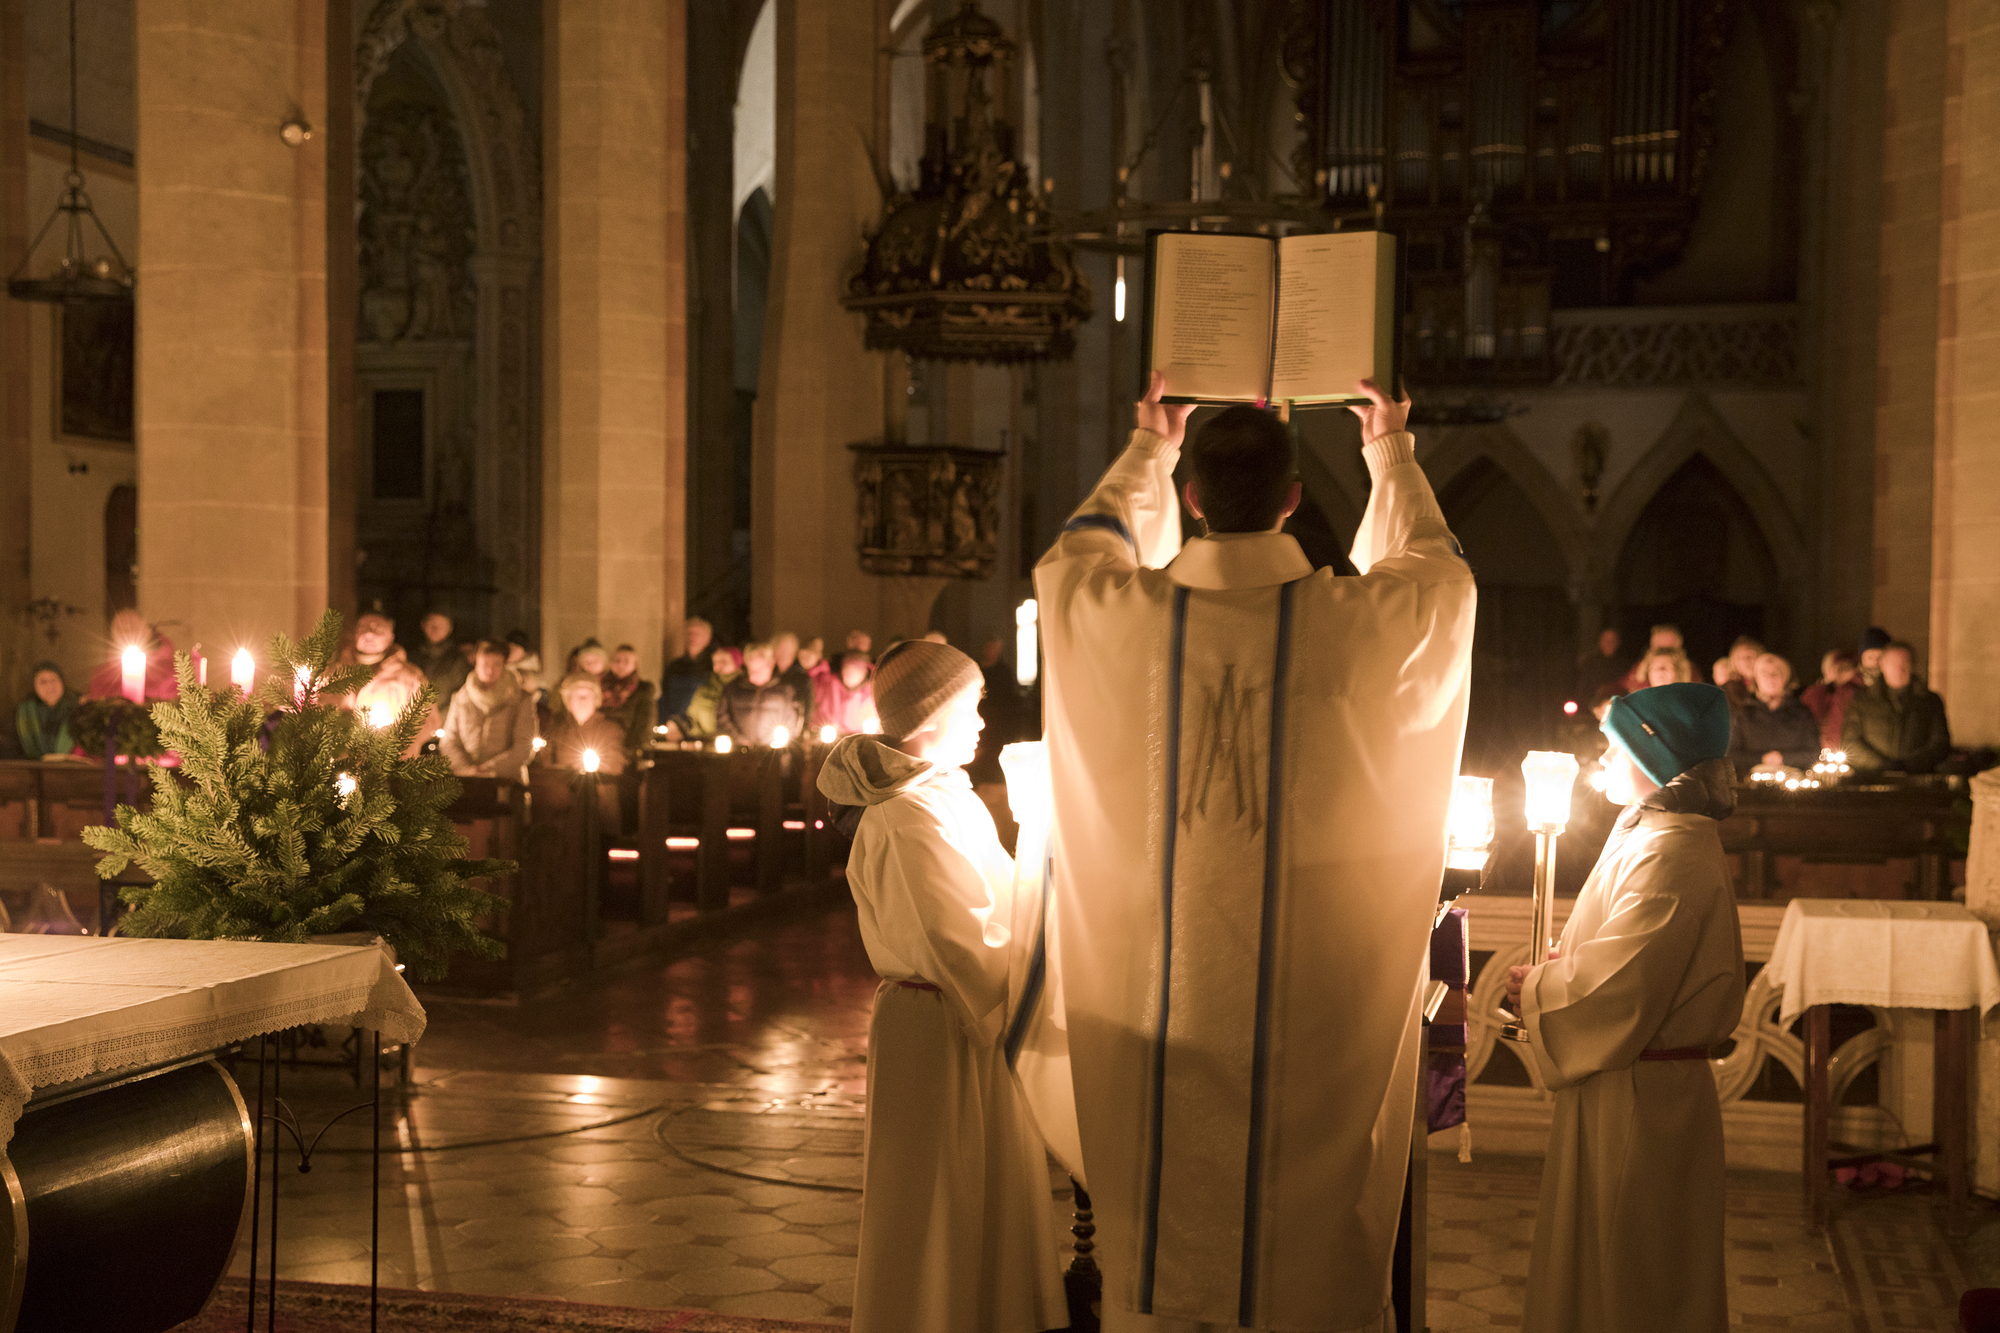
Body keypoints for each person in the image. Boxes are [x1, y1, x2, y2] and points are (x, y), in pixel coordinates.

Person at [1034, 373, 1474, 1331]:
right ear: (1294, 497)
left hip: (1165, 980)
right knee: (1305, 1224)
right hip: (1306, 990)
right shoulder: (1352, 625)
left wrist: (1149, 444)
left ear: (1191, 498)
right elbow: (1438, 576)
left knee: (1168, 1205)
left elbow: (1074, 561)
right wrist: (1390, 448)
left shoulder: (1128, 616)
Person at [815, 639, 1068, 1333]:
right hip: (936, 1024)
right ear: (927, 716)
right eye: (972, 705)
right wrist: (1034, 970)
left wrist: (1049, 858)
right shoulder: (904, 817)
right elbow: (953, 939)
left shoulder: (943, 795)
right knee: (934, 1194)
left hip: (963, 1025)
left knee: (976, 1190)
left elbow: (1001, 890)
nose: (983, 720)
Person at [1505, 682, 1744, 1333]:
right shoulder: (1651, 831)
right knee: (1608, 1265)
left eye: (1612, 747)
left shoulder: (1673, 851)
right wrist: (1560, 968)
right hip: (1625, 1081)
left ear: (1658, 758)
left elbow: (1622, 986)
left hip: (1644, 1095)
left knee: (1636, 1277)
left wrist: (1534, 988)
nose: (1598, 761)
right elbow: (1615, 954)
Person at [335, 611, 441, 749]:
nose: (369, 635)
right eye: (364, 628)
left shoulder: (410, 677)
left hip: (391, 765)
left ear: (391, 637)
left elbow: (429, 721)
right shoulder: (332, 674)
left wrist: (395, 742)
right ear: (354, 634)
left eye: (378, 629)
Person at [1842, 641, 1952, 774]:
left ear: (1912, 666)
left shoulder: (1930, 701)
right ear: (1882, 665)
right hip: (1872, 780)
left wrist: (1909, 766)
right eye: (1893, 663)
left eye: (1905, 663)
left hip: (1917, 781)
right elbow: (1850, 741)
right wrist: (1881, 765)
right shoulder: (1863, 700)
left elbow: (1940, 744)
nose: (1899, 668)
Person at [438, 641, 538, 781]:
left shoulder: (520, 699)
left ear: (504, 665)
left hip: (506, 781)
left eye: (496, 664)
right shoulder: (461, 698)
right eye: (485, 664)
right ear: (476, 664)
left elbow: (523, 747)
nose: (490, 670)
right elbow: (448, 741)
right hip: (466, 780)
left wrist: (487, 770)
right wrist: (466, 769)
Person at [1729, 652, 1821, 772]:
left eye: (1775, 674)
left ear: (1785, 678)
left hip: (1794, 785)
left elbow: (1813, 752)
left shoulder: (1801, 713)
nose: (1770, 678)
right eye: (1764, 674)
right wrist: (1762, 759)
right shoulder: (1744, 713)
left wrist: (1784, 759)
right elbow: (1732, 754)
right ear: (1756, 678)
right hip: (1752, 785)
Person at [535, 672, 630, 776]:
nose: (582, 700)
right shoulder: (557, 727)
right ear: (568, 702)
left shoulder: (611, 730)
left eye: (587, 695)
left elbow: (615, 765)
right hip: (561, 788)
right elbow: (545, 762)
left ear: (596, 700)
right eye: (577, 695)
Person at [716, 641, 805, 746]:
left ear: (771, 664)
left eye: (760, 670)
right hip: (740, 751)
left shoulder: (785, 691)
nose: (755, 675)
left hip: (773, 753)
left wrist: (780, 742)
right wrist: (738, 740)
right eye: (752, 670)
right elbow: (721, 716)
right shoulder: (732, 689)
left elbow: (793, 719)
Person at [85, 609, 178, 702]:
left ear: (147, 632)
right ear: (113, 636)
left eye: (133, 627)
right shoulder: (101, 676)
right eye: (121, 629)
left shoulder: (172, 671)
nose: (128, 633)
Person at [599, 644, 658, 752]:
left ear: (634, 665)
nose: (620, 665)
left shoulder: (643, 690)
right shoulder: (601, 688)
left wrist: (632, 750)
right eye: (617, 660)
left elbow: (644, 725)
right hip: (602, 747)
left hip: (628, 749)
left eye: (626, 661)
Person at [15, 662, 79, 760]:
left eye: (54, 679)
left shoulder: (79, 708)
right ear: (34, 686)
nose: (50, 686)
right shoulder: (25, 713)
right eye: (43, 682)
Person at [411, 610, 472, 711]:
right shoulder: (411, 658)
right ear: (423, 625)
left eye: (441, 625)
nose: (436, 629)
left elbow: (461, 697)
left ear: (449, 629)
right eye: (432, 623)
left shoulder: (458, 660)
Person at [659, 618, 715, 726]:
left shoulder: (713, 667)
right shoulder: (674, 667)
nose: (692, 637)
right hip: (674, 726)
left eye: (697, 634)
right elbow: (665, 697)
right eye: (689, 633)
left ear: (707, 639)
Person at [1801, 649, 1860, 750]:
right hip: (1817, 751)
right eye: (1837, 667)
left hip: (1848, 752)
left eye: (1846, 668)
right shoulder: (1815, 694)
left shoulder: (1858, 693)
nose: (1840, 672)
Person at [680, 645, 743, 740]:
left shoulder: (744, 689)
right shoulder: (703, 690)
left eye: (723, 661)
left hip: (738, 743)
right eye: (715, 662)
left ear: (736, 663)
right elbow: (692, 718)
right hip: (708, 742)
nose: (718, 666)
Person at [813, 650, 881, 736]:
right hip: (830, 738)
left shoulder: (872, 692)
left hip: (860, 738)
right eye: (847, 669)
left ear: (864, 673)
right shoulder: (828, 684)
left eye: (856, 670)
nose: (850, 673)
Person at [1616, 624, 1683, 694]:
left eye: (1668, 649)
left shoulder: (1690, 675)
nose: (1661, 671)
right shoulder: (1638, 671)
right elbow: (1621, 686)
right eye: (1659, 646)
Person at [773, 631, 818, 729]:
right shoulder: (767, 676)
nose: (783, 655)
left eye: (788, 651)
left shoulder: (802, 678)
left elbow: (807, 708)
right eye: (780, 650)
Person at [1575, 626, 1625, 702]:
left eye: (1613, 640)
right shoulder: (1589, 663)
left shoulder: (1625, 664)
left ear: (1618, 643)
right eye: (1606, 640)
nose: (1609, 643)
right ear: (1600, 641)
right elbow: (1582, 687)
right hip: (1591, 705)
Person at [503, 630, 545, 701]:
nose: (511, 652)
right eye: (508, 648)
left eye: (514, 648)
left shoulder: (534, 670)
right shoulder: (503, 668)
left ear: (523, 650)